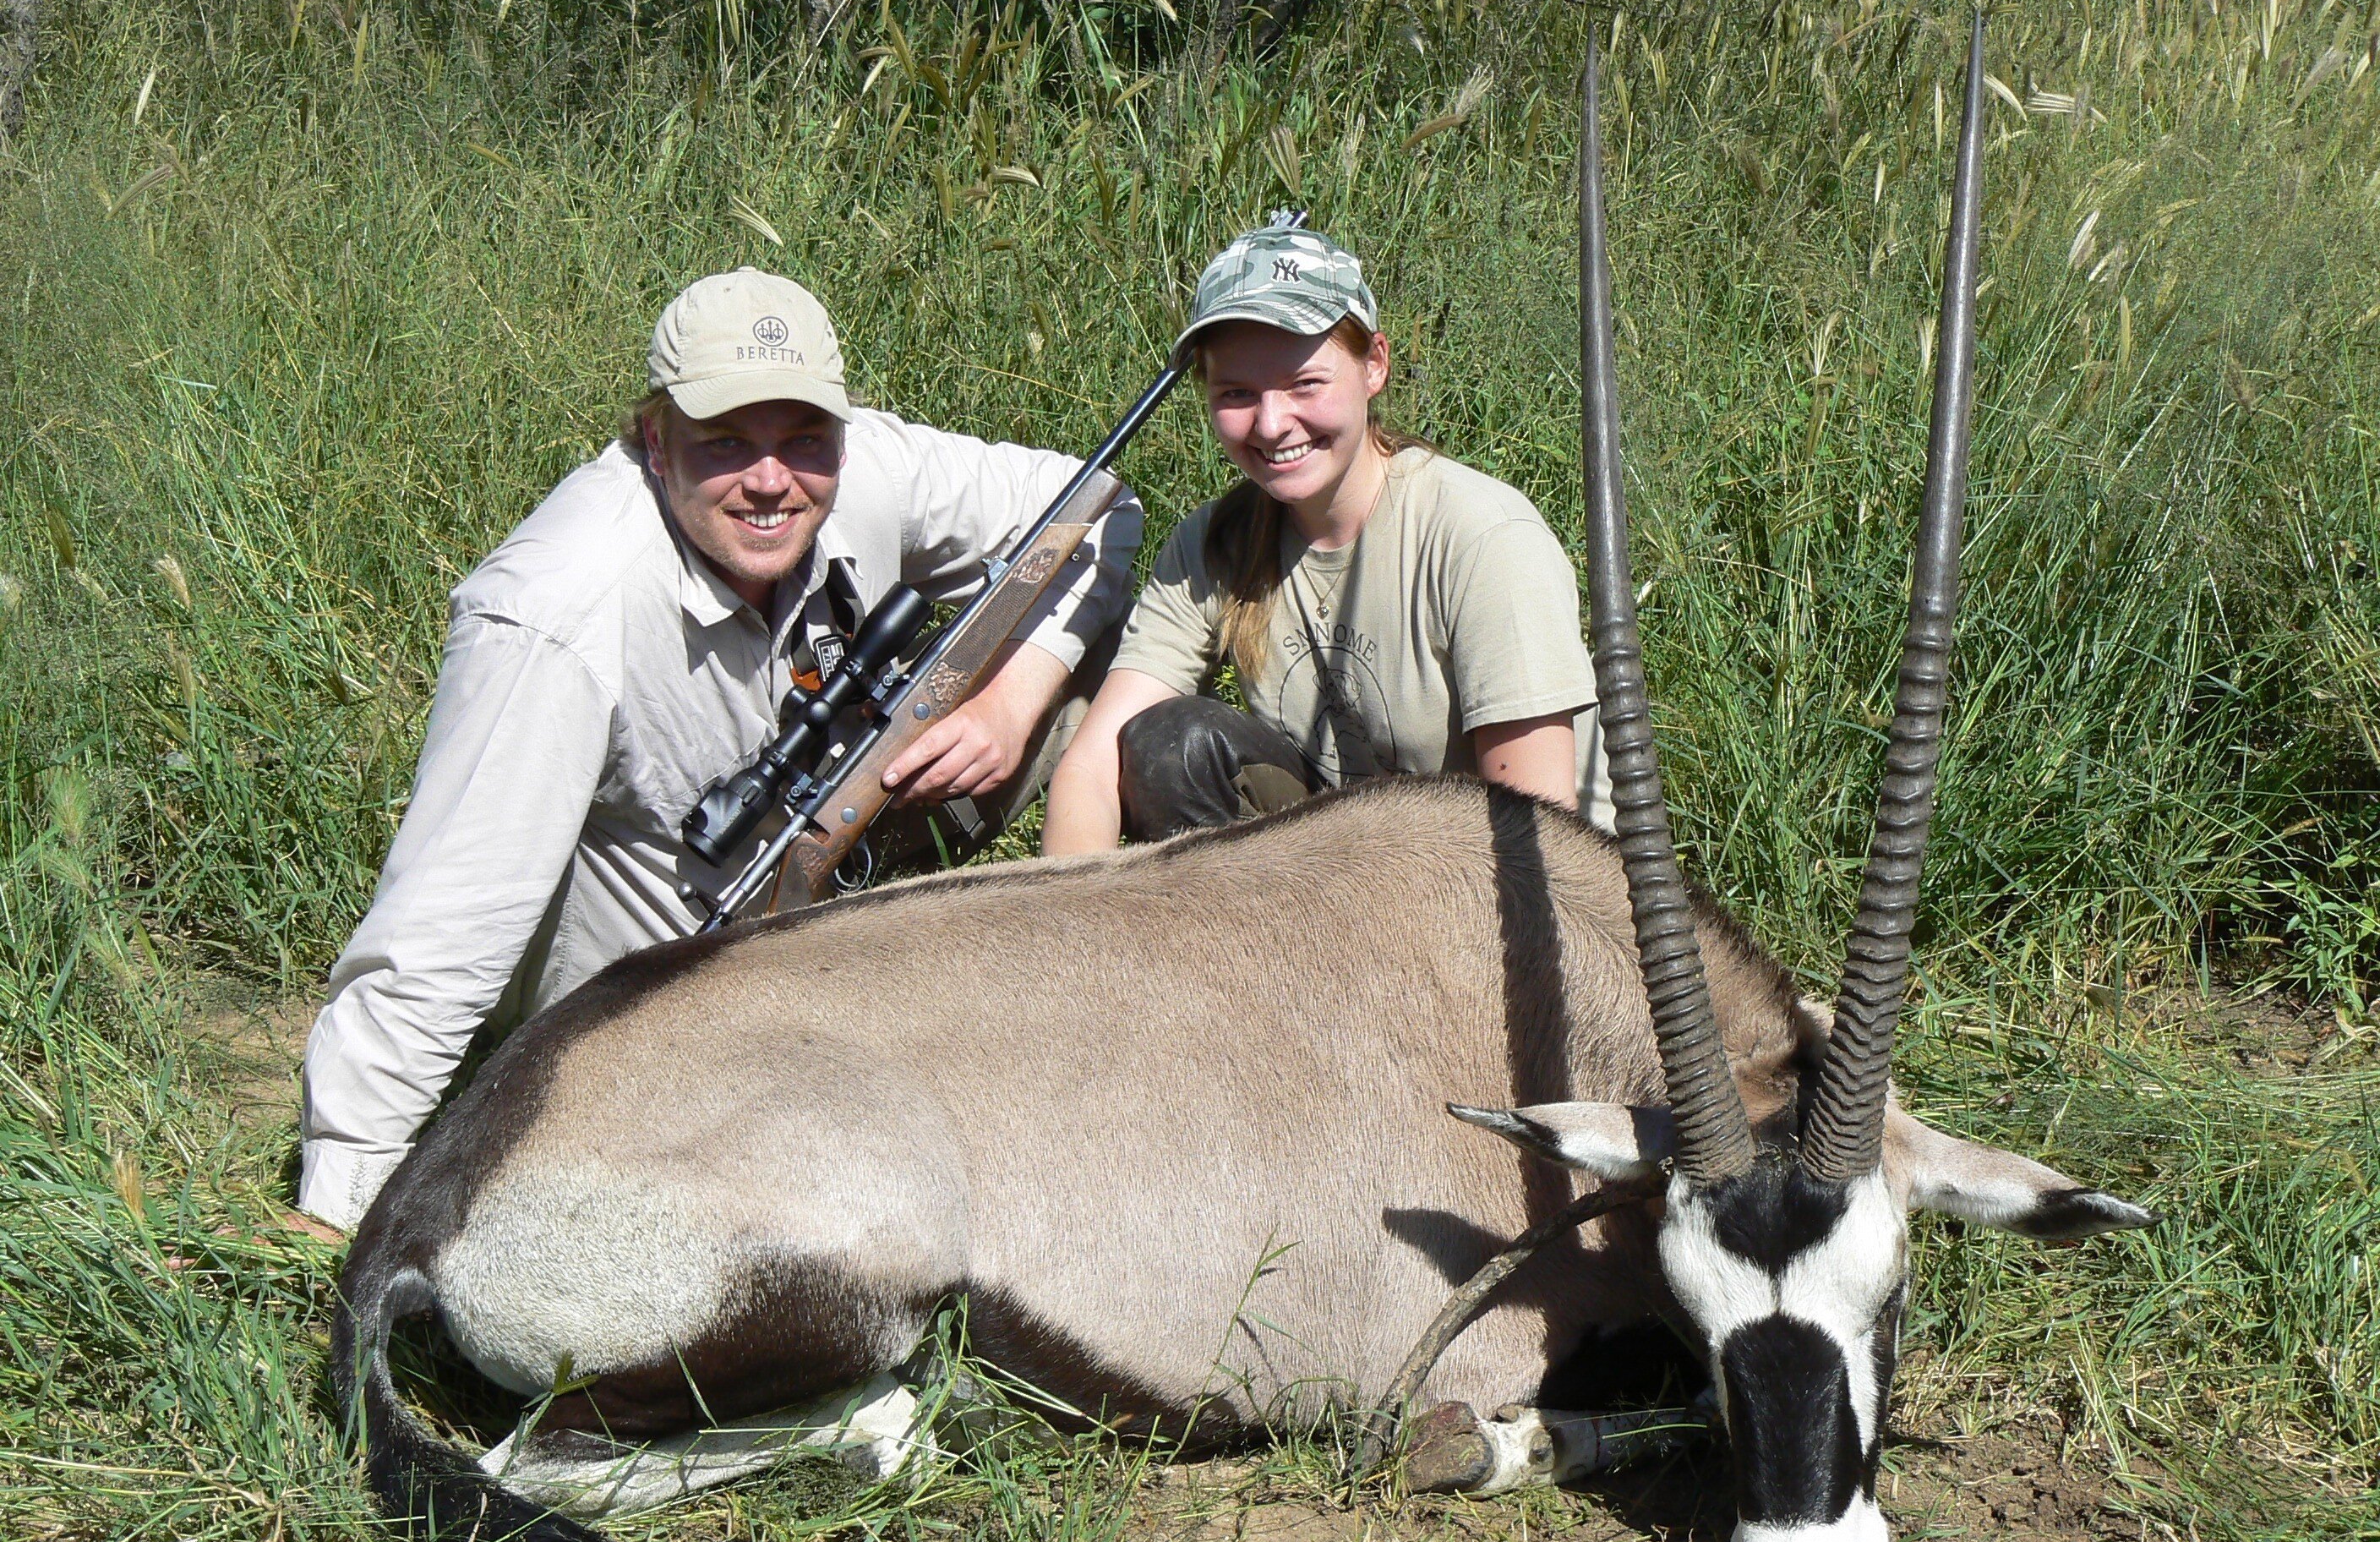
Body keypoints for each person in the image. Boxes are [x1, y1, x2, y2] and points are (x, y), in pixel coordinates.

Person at [295, 268, 1144, 1233]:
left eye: (803, 439)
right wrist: (342, 1207)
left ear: (841, 427)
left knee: (1075, 686)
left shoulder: (865, 467)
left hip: (831, 833)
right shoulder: (555, 610)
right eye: (725, 442)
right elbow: (443, 929)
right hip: (648, 977)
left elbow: (1098, 508)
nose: (773, 481)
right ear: (655, 438)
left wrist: (1003, 704)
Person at [1042, 223, 1611, 854]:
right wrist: (1067, 937)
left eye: (1305, 383)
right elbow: (1092, 766)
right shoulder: (1213, 543)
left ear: (1375, 366)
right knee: (1170, 745)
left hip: (1493, 886)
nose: (1272, 423)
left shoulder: (1483, 540)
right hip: (1343, 873)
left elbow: (1540, 843)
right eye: (1236, 393)